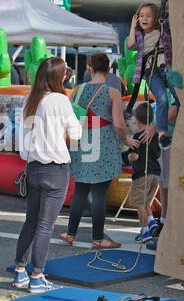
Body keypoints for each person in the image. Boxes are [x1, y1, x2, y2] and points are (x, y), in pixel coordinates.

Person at [12, 57, 82, 293]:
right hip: (55, 167)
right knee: (46, 225)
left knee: (31, 220)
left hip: (33, 167)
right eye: (64, 74)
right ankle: (37, 275)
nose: (66, 77)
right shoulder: (60, 100)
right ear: (58, 77)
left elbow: (22, 139)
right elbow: (77, 132)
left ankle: (20, 271)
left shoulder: (29, 99)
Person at [59, 53, 139, 249]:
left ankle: (70, 233)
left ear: (89, 68)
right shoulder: (113, 92)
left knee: (80, 189)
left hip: (81, 141)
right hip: (103, 142)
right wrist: (126, 139)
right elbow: (119, 125)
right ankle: (97, 238)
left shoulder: (77, 90)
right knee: (100, 193)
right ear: (109, 69)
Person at [128, 0, 179, 150]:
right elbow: (130, 46)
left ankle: (165, 130)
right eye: (141, 16)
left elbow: (173, 16)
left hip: (166, 68)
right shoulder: (140, 36)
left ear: (155, 18)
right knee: (162, 99)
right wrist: (132, 26)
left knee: (179, 99)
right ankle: (162, 135)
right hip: (152, 73)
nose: (144, 18)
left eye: (148, 16)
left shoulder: (163, 29)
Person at [138, 93, 178, 250]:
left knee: (169, 185)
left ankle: (167, 225)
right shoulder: (164, 82)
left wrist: (155, 127)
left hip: (172, 137)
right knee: (164, 183)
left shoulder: (175, 79)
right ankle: (163, 221)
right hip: (165, 138)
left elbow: (177, 107)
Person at [127, 103, 161, 243]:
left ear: (137, 119)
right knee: (147, 201)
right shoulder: (156, 134)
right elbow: (158, 154)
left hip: (142, 174)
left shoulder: (137, 135)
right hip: (155, 173)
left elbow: (134, 156)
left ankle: (144, 230)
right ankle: (152, 222)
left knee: (139, 203)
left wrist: (129, 156)